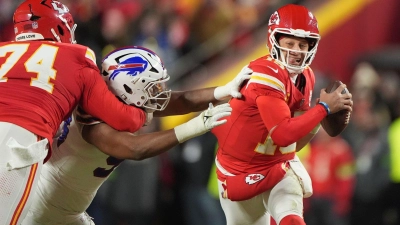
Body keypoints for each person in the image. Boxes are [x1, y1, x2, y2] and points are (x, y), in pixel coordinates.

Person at [21, 45, 252, 225]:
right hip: (45, 208)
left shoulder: (118, 102)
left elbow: (181, 99)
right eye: (153, 88)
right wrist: (193, 127)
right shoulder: (90, 118)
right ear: (128, 88)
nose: (159, 94)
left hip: (67, 208)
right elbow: (135, 149)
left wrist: (224, 90)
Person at [0, 1, 153, 224]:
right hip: (20, 141)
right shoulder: (77, 56)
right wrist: (143, 114)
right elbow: (123, 118)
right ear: (60, 27)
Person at [211, 4, 354, 225]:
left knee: (292, 219)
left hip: (275, 164)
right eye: (290, 43)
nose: (296, 51)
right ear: (274, 41)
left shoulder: (306, 76)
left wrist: (318, 120)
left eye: (302, 44)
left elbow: (291, 144)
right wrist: (322, 109)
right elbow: (283, 134)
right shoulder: (264, 74)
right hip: (238, 171)